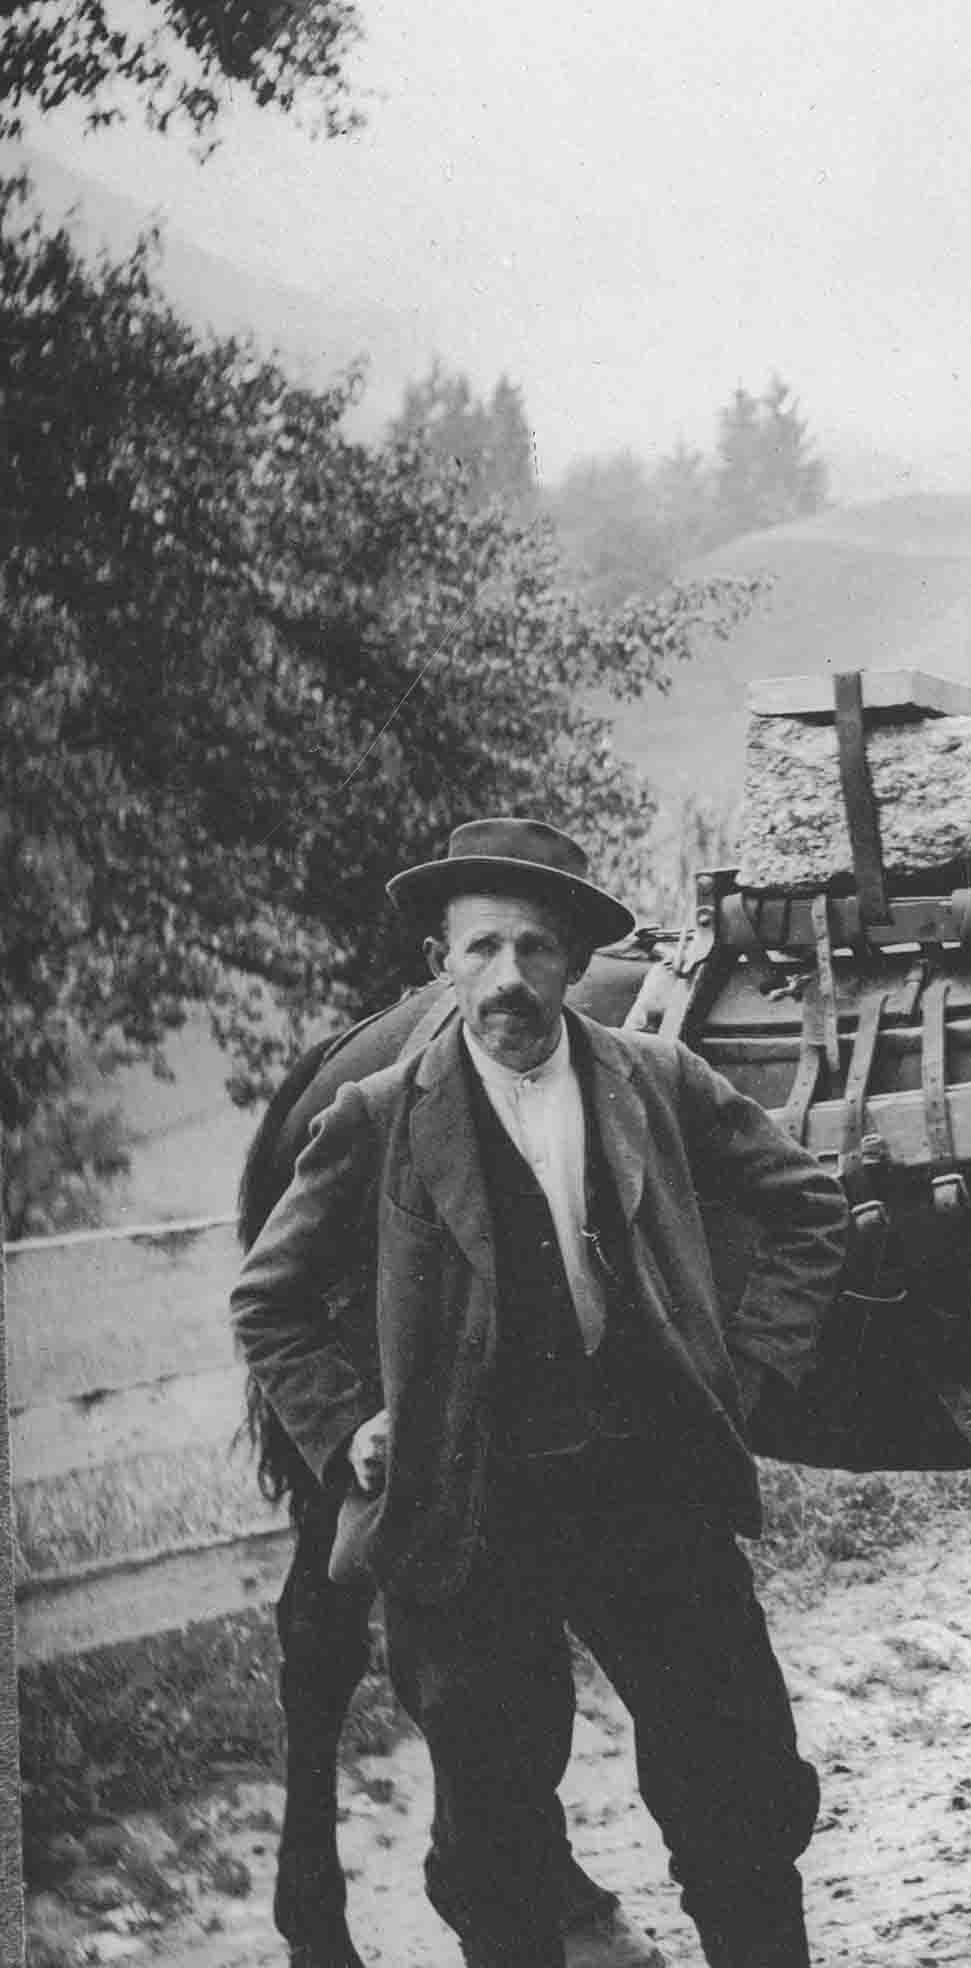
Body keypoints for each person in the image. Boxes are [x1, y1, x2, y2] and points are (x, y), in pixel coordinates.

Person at [232, 819, 849, 1966]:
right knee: (499, 1850)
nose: (507, 978)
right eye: (481, 949)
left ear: (572, 963)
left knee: (742, 1797)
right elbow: (268, 1297)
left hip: (652, 1495)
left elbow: (808, 1207)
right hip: (472, 1518)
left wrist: (746, 1370)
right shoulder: (376, 1114)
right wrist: (345, 1424)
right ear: (441, 962)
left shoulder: (658, 1080)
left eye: (533, 949)